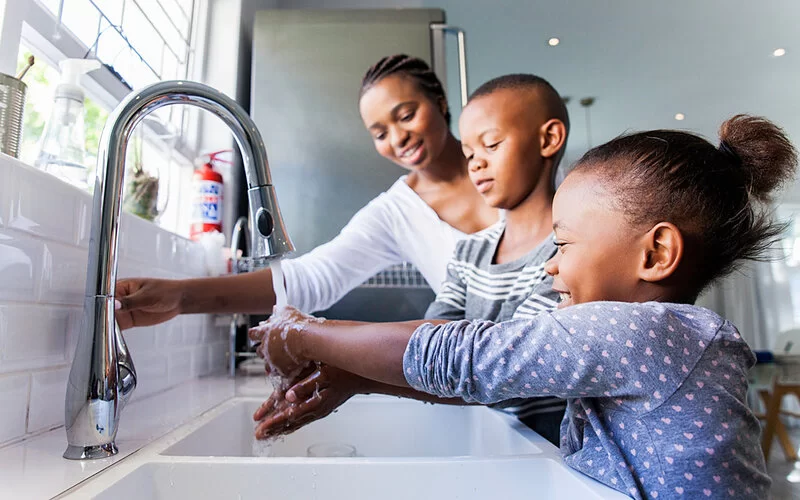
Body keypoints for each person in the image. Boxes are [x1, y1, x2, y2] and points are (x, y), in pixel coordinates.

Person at [252, 114, 796, 499]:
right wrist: (357, 378)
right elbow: (500, 376)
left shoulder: (644, 332)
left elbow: (468, 357)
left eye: (563, 244)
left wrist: (303, 331)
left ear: (655, 253)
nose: (550, 265)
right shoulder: (654, 339)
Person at [253, 74, 570, 446]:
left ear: (548, 139)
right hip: (503, 445)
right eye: (469, 153)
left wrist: (309, 335)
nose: (476, 164)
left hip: (560, 459)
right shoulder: (470, 254)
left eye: (492, 145)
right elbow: (436, 344)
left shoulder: (570, 253)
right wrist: (354, 377)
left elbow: (499, 365)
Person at [113, 54, 498, 329]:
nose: (398, 138)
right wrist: (181, 297)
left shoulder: (504, 160)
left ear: (441, 103)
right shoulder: (395, 213)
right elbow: (312, 278)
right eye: (380, 133)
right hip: (502, 396)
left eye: (407, 115)